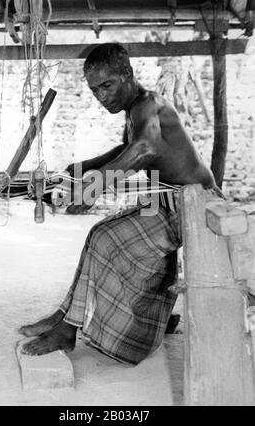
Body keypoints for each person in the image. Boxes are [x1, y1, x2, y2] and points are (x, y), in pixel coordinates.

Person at [18, 43, 219, 365]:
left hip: (192, 205)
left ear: (127, 75)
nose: (101, 96)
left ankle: (67, 329)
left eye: (107, 85)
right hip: (164, 198)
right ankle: (66, 317)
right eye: (95, 90)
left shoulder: (148, 104)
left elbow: (142, 150)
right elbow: (124, 149)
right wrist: (79, 170)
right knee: (107, 236)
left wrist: (93, 186)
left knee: (105, 238)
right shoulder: (135, 111)